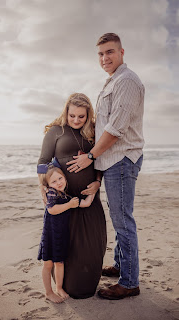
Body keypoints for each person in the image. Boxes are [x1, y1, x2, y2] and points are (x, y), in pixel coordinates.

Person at [67, 33, 145, 300]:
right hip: (112, 161)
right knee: (119, 218)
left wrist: (90, 157)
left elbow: (115, 129)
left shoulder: (127, 81)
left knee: (123, 222)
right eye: (100, 54)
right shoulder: (113, 81)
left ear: (122, 52)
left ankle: (130, 282)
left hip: (121, 160)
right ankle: (123, 266)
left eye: (109, 52)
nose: (104, 58)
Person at [38, 93, 107, 299]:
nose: (76, 120)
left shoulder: (94, 132)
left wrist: (97, 182)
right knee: (64, 247)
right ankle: (63, 287)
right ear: (66, 112)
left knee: (94, 244)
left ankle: (87, 284)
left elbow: (100, 161)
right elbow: (43, 162)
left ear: (89, 116)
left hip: (89, 201)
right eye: (72, 116)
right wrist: (43, 189)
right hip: (64, 202)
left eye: (81, 117)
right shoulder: (55, 132)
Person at [37, 160, 95, 303]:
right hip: (50, 235)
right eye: (54, 181)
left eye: (60, 178)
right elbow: (52, 209)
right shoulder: (52, 194)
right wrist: (69, 205)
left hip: (61, 236)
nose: (58, 183)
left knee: (60, 263)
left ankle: (59, 288)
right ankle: (48, 292)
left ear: (65, 177)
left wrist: (93, 191)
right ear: (49, 185)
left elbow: (86, 203)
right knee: (48, 264)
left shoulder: (65, 196)